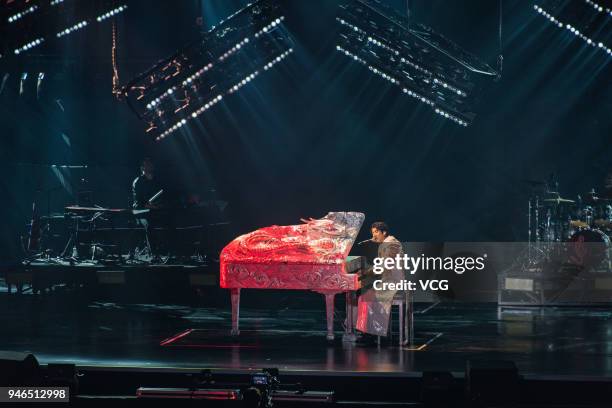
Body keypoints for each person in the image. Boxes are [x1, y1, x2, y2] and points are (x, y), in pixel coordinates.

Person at [355, 221, 405, 345]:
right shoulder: (385, 244)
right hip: (388, 280)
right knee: (363, 297)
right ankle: (366, 330)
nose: (374, 235)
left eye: (376, 232)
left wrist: (366, 272)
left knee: (368, 297)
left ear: (384, 232)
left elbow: (385, 265)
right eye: (372, 233)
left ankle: (372, 332)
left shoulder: (392, 244)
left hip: (394, 282)